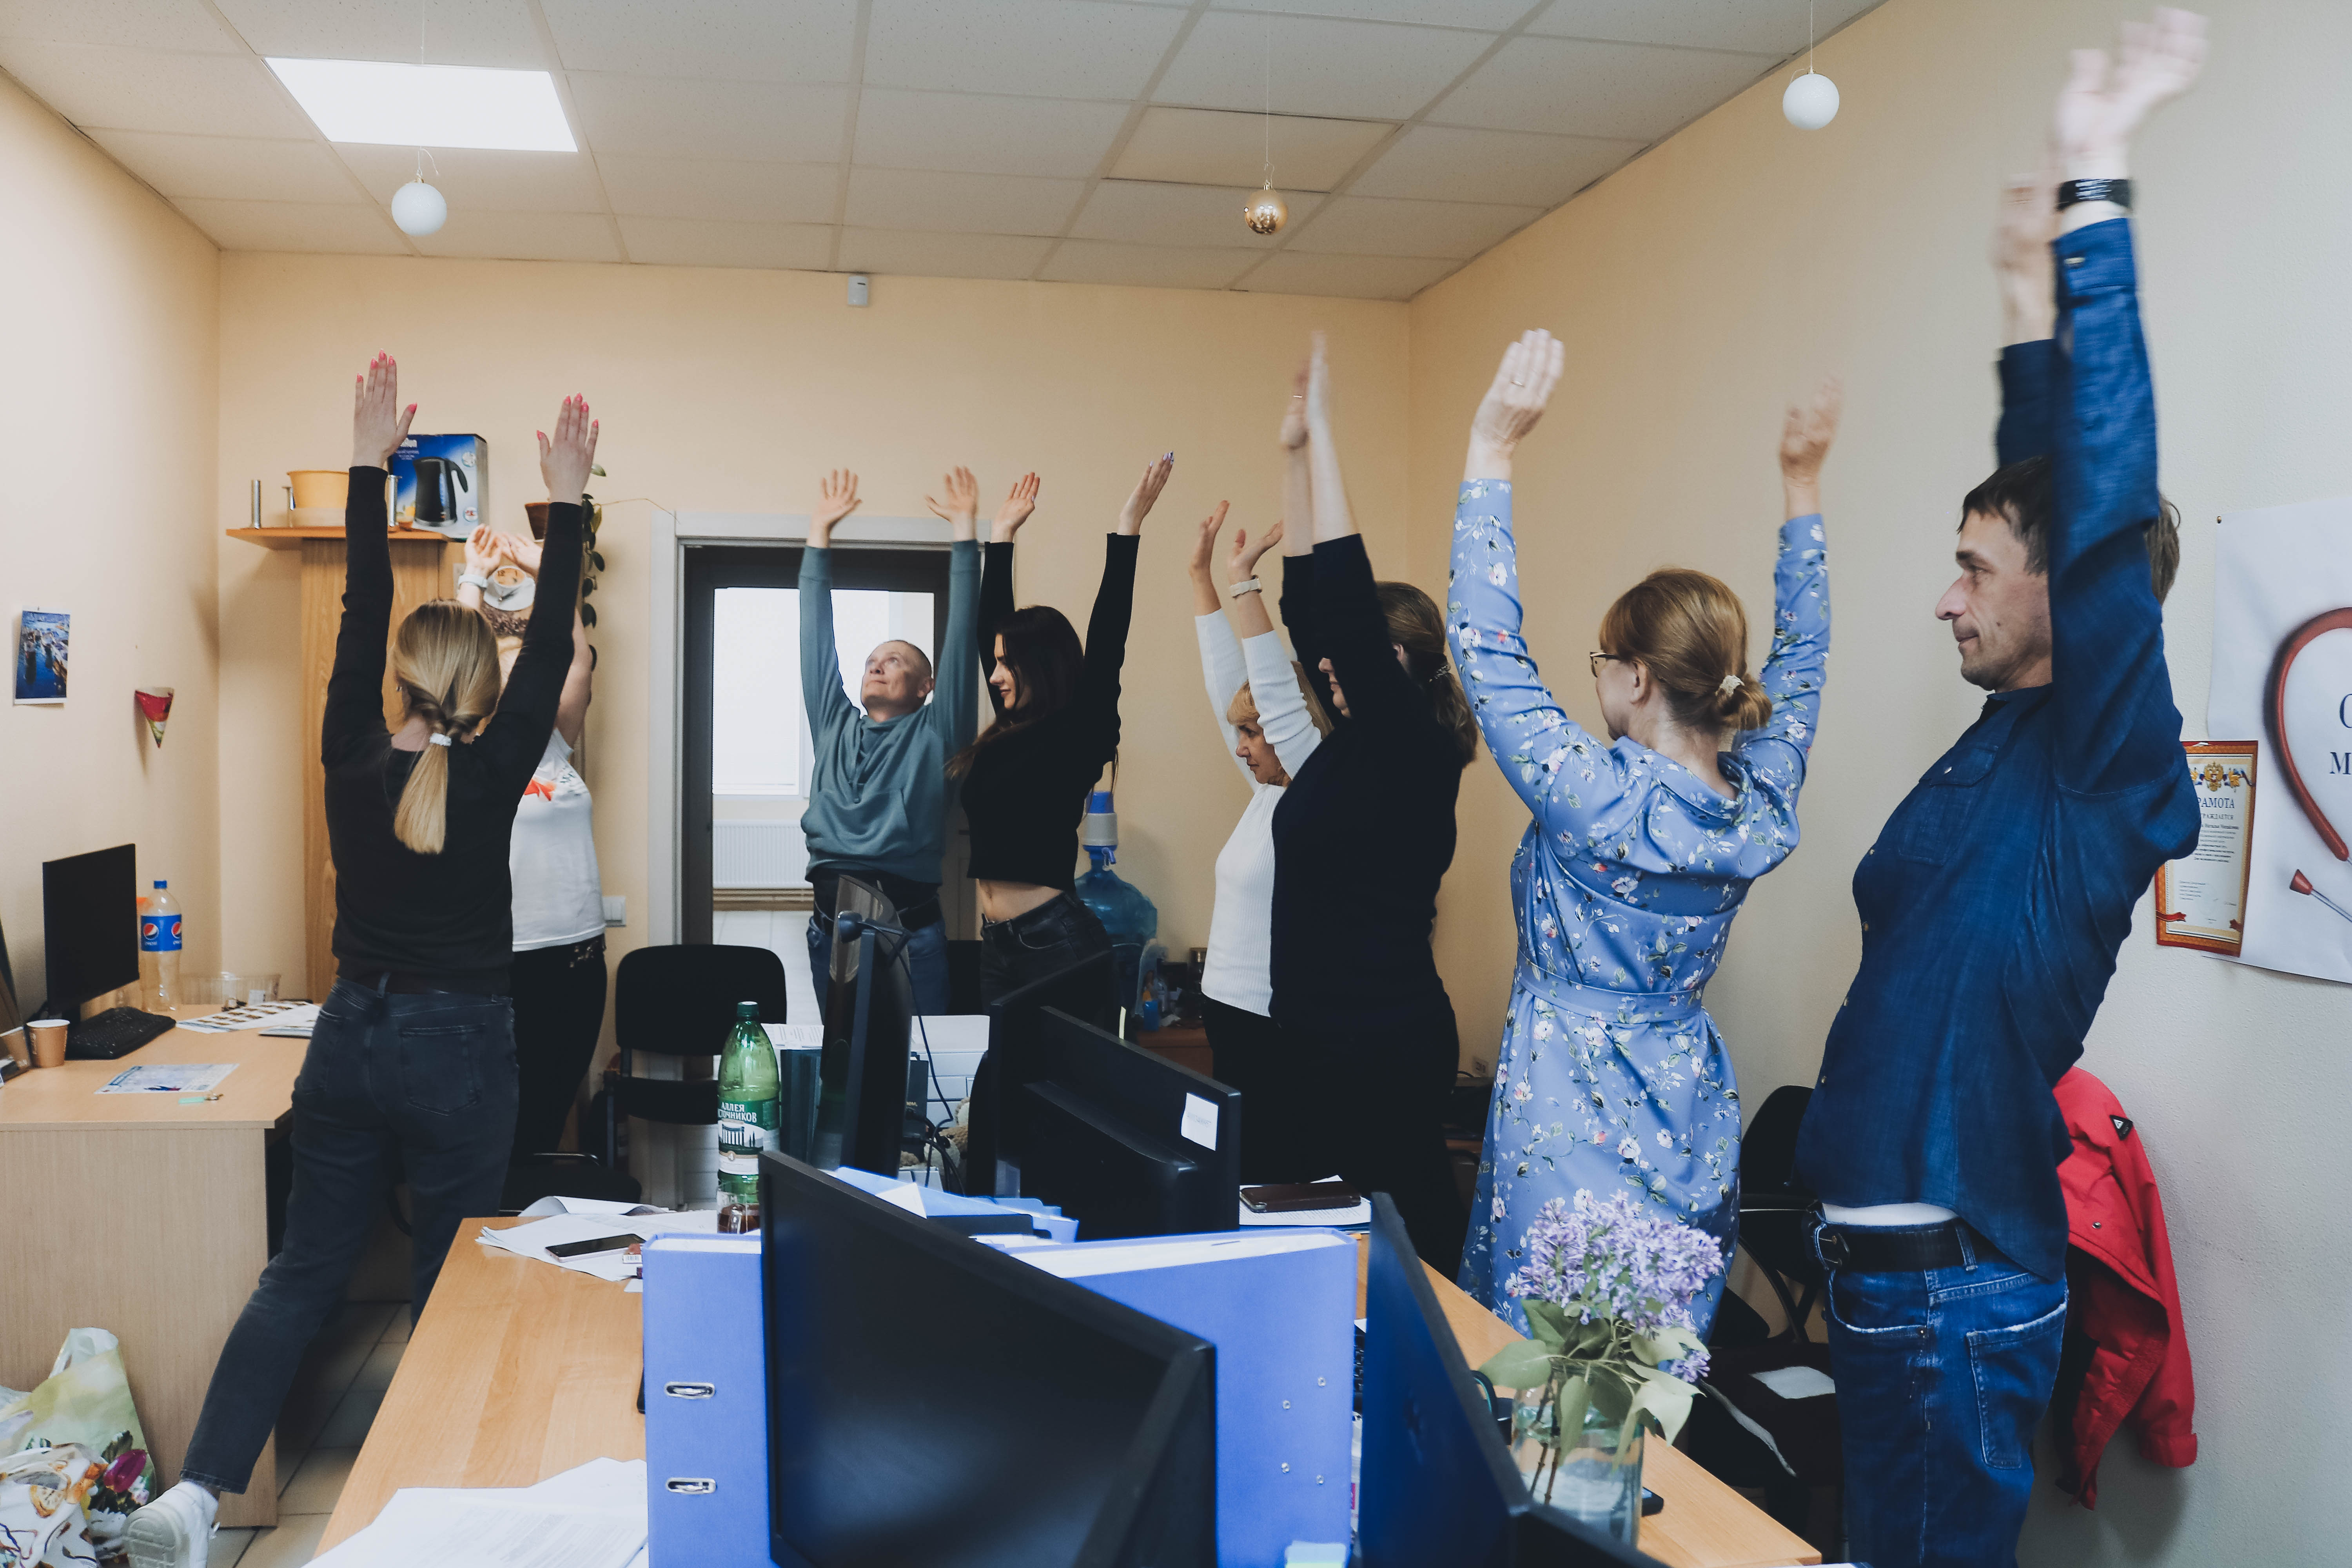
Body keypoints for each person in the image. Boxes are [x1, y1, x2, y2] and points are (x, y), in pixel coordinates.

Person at [1792, 14, 2205, 1568]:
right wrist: (2023, 288)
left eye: (1973, 569)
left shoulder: (2104, 767)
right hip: (1892, 1277)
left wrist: (2101, 191)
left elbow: (2089, 510)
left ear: (2060, 600)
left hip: (1957, 1298)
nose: (1946, 598)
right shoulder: (2010, 733)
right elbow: (2048, 483)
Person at [125, 359, 595, 1567]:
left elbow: (357, 607)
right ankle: (431, 1512)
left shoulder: (345, 752)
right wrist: (568, 501)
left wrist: (373, 466)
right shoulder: (493, 775)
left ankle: (195, 1499)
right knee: (449, 1281)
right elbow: (548, 651)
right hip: (460, 1049)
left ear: (391, 680)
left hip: (350, 1039)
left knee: (302, 1277)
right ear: (487, 695)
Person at [1448, 331, 1838, 1336]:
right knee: (1644, 1377)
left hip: (1565, 1102)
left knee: (1551, 1377)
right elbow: (1802, 665)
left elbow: (1486, 651)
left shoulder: (1594, 794)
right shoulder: (1757, 805)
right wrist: (1802, 490)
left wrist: (1491, 451)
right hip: (1686, 1109)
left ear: (1634, 677)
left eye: (1599, 661)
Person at [1268, 337, 1476, 1271]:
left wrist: (1329, 436)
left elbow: (1344, 615)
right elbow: (1316, 610)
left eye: (1367, 661)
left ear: (1413, 665)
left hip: (1381, 1044)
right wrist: (1293, 459)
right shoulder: (1350, 740)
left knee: (1401, 1250)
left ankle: (1445, 1386)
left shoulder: (1416, 750)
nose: (1337, 671)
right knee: (1320, 1244)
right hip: (1315, 1035)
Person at [956, 454, 1171, 1000]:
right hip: (998, 944)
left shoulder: (1079, 733)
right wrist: (1000, 536)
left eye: (1008, 664)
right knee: (1003, 1085)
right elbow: (990, 631)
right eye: (997, 662)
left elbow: (1108, 641)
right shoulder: (1010, 729)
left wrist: (1127, 530)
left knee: (1058, 1085)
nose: (995, 674)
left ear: (1042, 666)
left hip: (1055, 945)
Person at [795, 465, 995, 1014]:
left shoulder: (938, 731)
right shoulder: (834, 725)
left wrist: (963, 536)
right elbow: (816, 640)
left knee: (917, 1076)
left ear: (926, 686)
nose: (877, 666)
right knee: (842, 1071)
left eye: (895, 661)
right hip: (832, 930)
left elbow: (962, 638)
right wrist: (819, 536)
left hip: (910, 933)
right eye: (871, 661)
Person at [452, 525, 606, 1165]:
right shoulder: (464, 755)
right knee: (492, 1133)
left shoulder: (560, 745)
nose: (528, 690)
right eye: (511, 677)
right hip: (499, 967)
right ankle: (481, 1252)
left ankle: (526, 1252)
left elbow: (574, 659)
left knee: (544, 1124)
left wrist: (552, 578)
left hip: (577, 964)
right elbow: (447, 661)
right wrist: (471, 577)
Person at [1188, 499, 1330, 1182]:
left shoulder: (1310, 792)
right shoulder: (1266, 795)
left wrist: (1247, 588)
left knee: (1267, 1179)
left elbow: (1274, 692)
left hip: (1271, 1029)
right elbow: (1232, 688)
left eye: (1254, 733)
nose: (1241, 748)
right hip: (1227, 1015)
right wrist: (1202, 579)